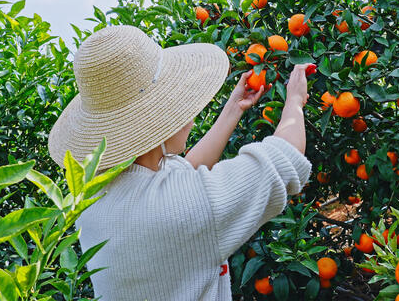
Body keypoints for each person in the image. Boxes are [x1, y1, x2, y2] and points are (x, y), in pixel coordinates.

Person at [47, 25, 312, 300]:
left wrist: (233, 110)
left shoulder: (93, 199)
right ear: (156, 123)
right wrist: (294, 100)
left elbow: (181, 177)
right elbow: (285, 157)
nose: (191, 115)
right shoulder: (185, 207)